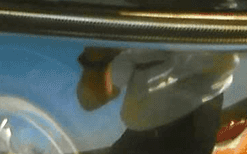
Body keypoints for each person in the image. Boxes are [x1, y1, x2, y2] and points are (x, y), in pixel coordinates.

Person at [76, 46, 237, 154]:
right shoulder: (133, 24)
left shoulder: (216, 11)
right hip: (143, 131)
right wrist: (97, 58)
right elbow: (92, 98)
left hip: (192, 124)